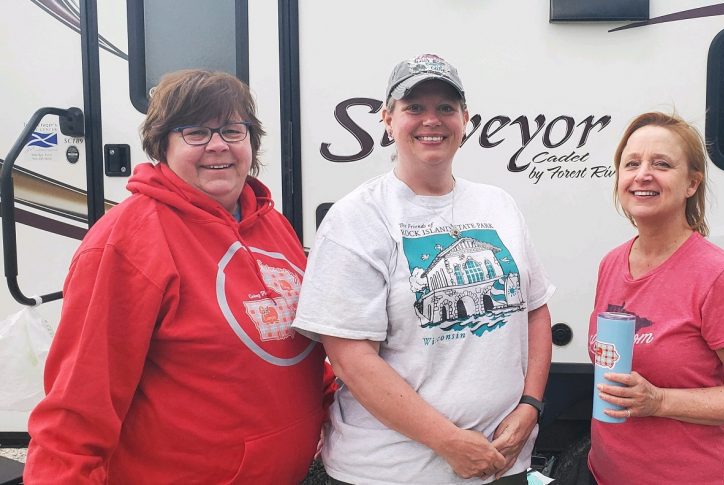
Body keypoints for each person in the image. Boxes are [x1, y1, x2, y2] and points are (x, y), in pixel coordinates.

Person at [25, 70, 332, 483]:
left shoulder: (271, 222)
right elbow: (78, 407)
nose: (218, 145)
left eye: (232, 129)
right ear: (162, 145)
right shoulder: (126, 243)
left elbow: (298, 342)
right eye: (196, 133)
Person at [292, 53, 555, 485]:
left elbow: (535, 309)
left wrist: (530, 406)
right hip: (392, 471)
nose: (431, 120)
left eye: (445, 108)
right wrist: (448, 441)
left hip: (503, 460)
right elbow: (351, 359)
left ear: (465, 119)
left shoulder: (498, 205)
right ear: (388, 119)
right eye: (414, 108)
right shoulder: (357, 217)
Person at [588, 112, 724, 484]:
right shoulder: (612, 264)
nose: (642, 174)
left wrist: (660, 401)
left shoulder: (716, 275)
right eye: (631, 163)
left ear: (692, 183)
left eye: (661, 164)